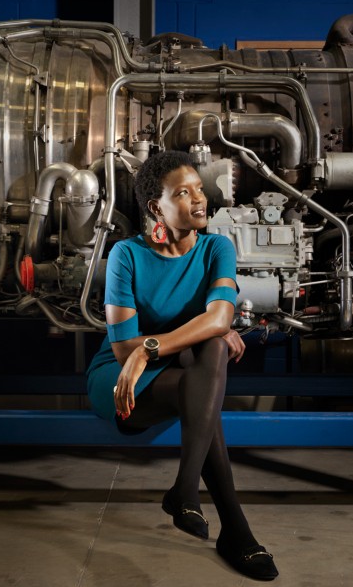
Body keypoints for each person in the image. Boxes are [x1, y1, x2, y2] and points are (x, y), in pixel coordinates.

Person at [86, 150, 279, 581]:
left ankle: (188, 489)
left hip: (182, 371)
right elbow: (122, 352)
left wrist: (149, 346)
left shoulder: (216, 247)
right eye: (183, 193)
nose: (199, 199)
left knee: (212, 353)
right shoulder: (126, 255)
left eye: (199, 189)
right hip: (123, 381)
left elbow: (222, 317)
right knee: (208, 363)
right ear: (157, 207)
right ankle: (229, 525)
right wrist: (161, 346)